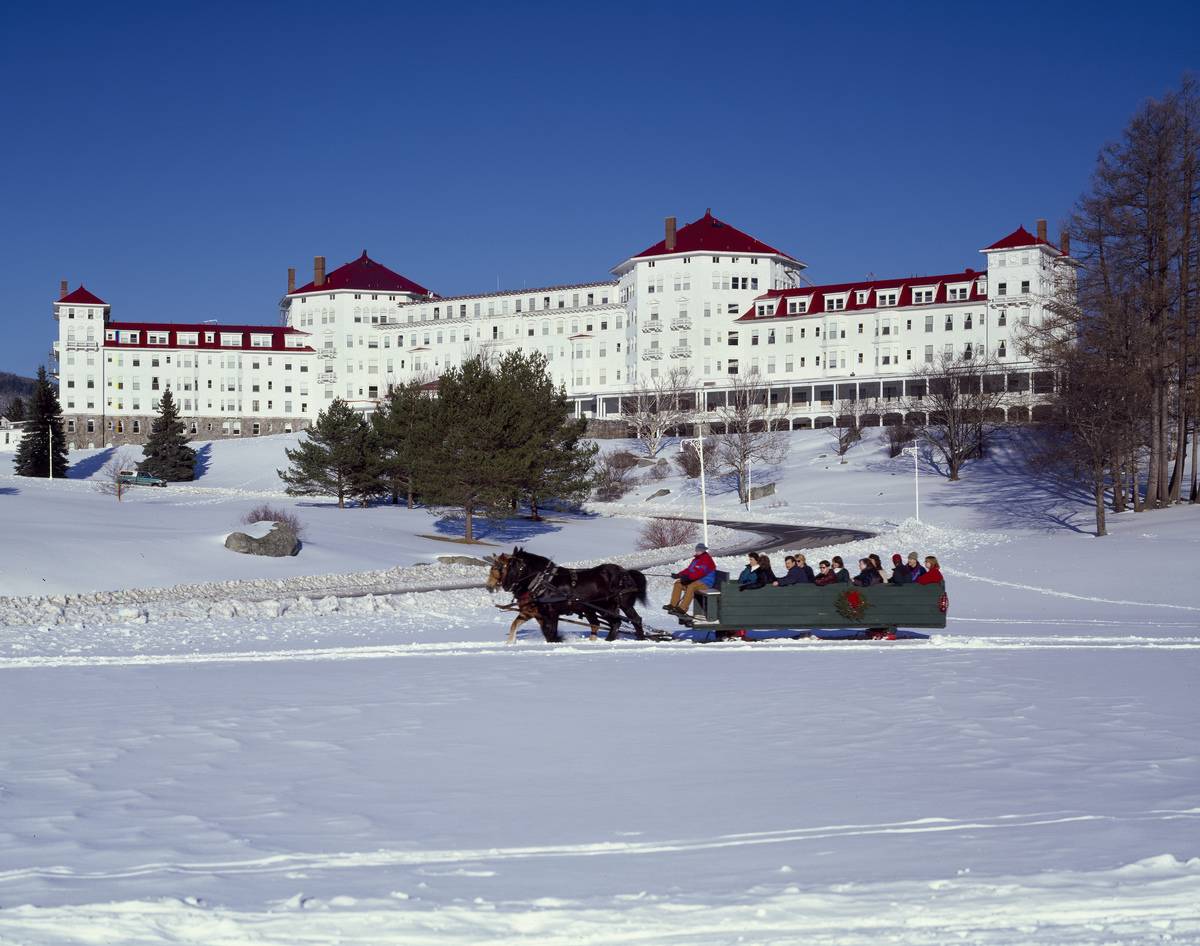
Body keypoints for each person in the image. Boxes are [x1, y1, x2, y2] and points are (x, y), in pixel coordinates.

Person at [666, 543, 717, 614]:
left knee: (691, 586)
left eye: (699, 550)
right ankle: (673, 604)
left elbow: (700, 573)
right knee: (678, 584)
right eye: (696, 550)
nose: (697, 551)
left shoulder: (706, 560)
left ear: (703, 551)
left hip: (705, 582)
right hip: (696, 580)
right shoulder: (696, 560)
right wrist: (679, 575)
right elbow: (688, 570)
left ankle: (682, 608)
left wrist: (688, 578)